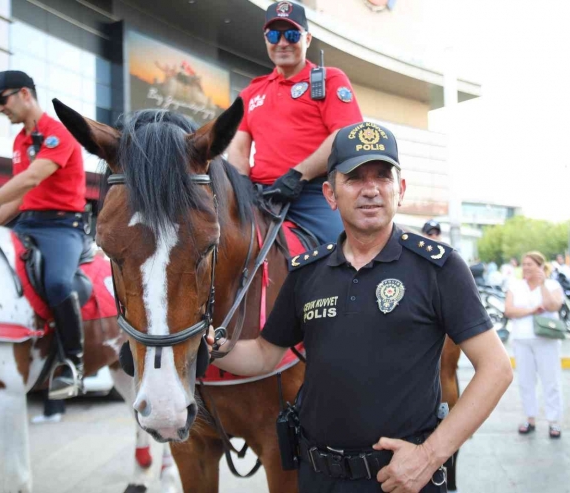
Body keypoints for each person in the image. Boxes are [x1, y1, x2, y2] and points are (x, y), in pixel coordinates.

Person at [211, 121, 513, 493]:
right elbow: (262, 355)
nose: (371, 190)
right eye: (354, 178)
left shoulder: (439, 267)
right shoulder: (307, 272)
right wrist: (211, 346)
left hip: (402, 481)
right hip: (318, 478)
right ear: (330, 193)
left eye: (382, 177)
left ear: (399, 190)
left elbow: (496, 369)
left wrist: (430, 456)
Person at [0, 70, 89, 399]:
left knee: (58, 282)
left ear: (24, 94)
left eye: (2, 100)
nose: (0, 108)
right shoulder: (19, 140)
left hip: (62, 228)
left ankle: (73, 362)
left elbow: (32, 179)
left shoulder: (58, 133)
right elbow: (19, 198)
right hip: (26, 224)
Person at [227, 1, 363, 244]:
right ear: (266, 39)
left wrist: (297, 175)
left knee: (345, 251)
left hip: (313, 194)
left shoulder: (330, 79)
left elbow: (345, 133)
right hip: (262, 196)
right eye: (274, 35)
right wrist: (242, 186)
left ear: (307, 39)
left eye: (291, 34)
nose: (282, 42)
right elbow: (238, 148)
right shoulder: (251, 92)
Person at [504, 251, 565, 438]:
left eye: (530, 264)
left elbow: (553, 306)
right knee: (525, 381)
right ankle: (530, 418)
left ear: (540, 266)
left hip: (546, 339)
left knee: (551, 380)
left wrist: (543, 284)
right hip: (522, 339)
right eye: (524, 264)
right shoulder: (515, 286)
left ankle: (553, 421)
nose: (526, 267)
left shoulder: (553, 285)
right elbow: (509, 310)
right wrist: (531, 310)